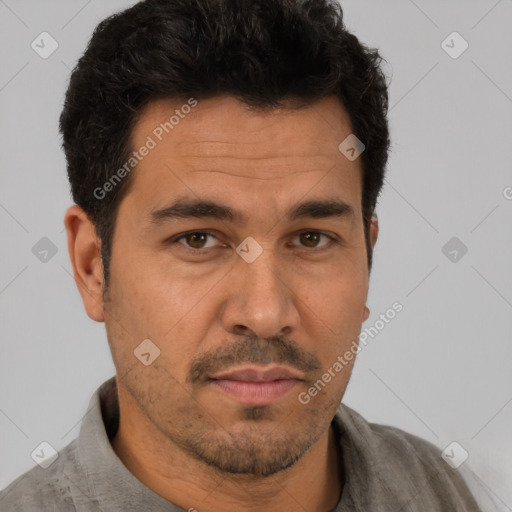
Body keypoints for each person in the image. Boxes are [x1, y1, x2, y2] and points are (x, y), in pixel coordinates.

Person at [0, 0, 482, 510]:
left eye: (312, 238)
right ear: (93, 267)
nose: (265, 314)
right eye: (198, 240)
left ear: (367, 255)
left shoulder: (435, 490)